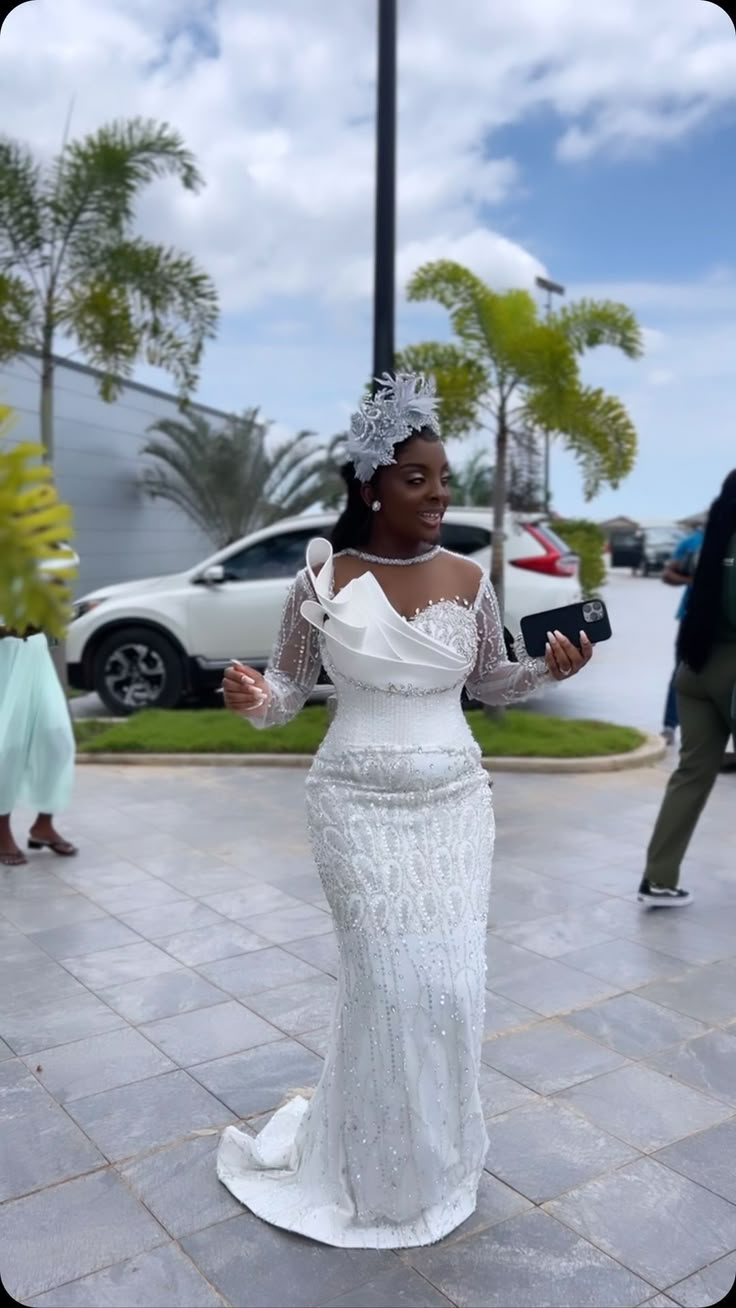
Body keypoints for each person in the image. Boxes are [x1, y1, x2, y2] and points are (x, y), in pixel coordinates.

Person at [217, 372, 592, 1248]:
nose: (436, 494)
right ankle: (371, 1180)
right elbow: (285, 691)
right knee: (388, 985)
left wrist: (548, 670)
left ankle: (435, 1166)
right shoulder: (325, 577)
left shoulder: (469, 576)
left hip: (456, 805)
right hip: (355, 803)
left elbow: (489, 681)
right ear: (370, 486)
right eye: (416, 477)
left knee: (452, 988)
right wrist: (251, 696)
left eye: (443, 478)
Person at [639, 469, 736, 907]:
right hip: (730, 668)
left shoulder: (711, 542)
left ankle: (658, 880)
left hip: (694, 668)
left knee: (691, 775)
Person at [0, 544, 79, 867]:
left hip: (34, 656)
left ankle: (43, 825)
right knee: (8, 747)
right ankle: (2, 832)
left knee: (57, 738)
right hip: (4, 661)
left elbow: (68, 558)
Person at [660, 526, 704, 745]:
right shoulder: (692, 543)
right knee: (683, 673)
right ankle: (669, 726)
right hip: (692, 617)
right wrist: (692, 582)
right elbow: (668, 574)